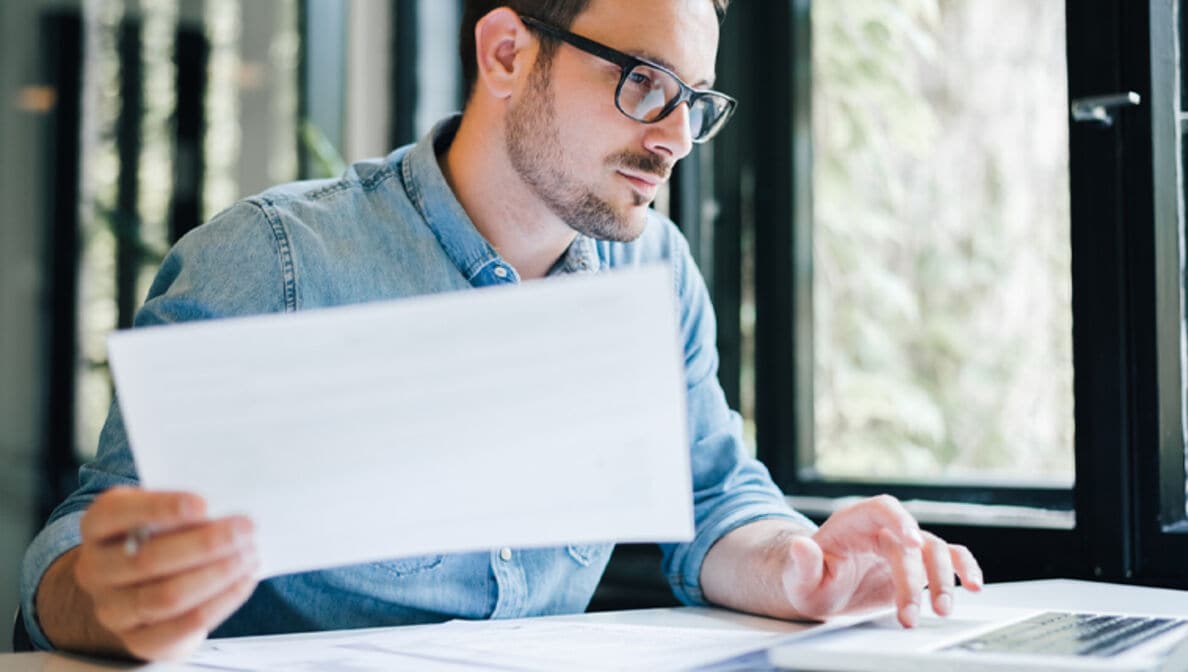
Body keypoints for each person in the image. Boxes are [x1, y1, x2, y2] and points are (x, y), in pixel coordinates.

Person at [21, 0, 983, 661]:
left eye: (695, 102)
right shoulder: (274, 260)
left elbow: (714, 497)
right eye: (647, 83)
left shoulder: (654, 272)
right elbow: (76, 554)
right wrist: (106, 598)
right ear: (508, 53)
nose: (675, 138)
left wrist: (804, 567)